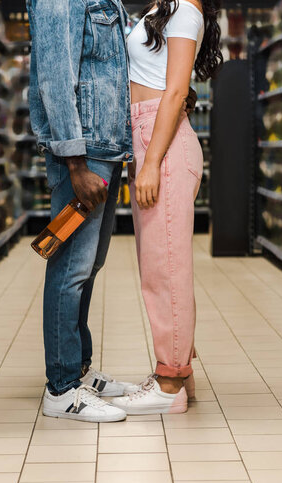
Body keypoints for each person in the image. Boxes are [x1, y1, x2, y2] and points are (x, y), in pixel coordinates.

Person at [26, 0, 197, 423]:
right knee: (71, 268)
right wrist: (74, 161)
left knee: (91, 264)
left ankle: (79, 369)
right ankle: (62, 389)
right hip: (83, 154)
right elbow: (53, 72)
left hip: (108, 148)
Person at [113, 0, 223, 416]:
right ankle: (180, 375)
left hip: (162, 140)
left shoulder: (185, 10)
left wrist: (153, 162)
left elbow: (175, 91)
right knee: (160, 263)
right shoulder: (165, 9)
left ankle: (169, 383)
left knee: (166, 270)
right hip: (150, 133)